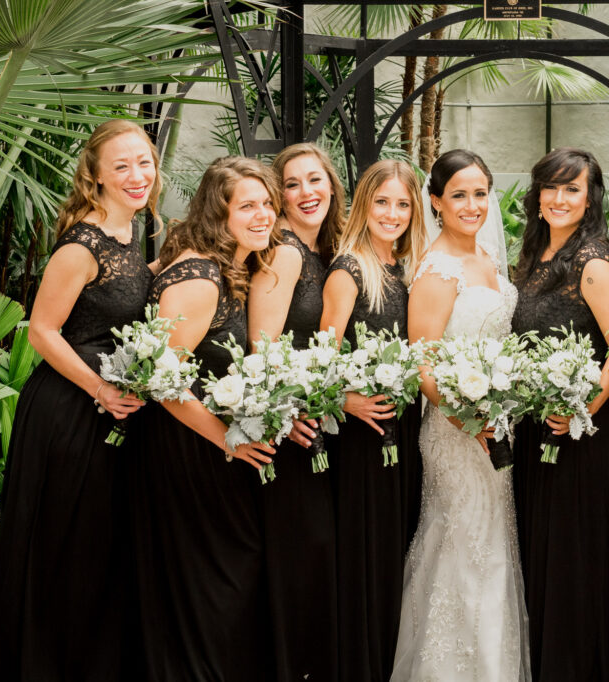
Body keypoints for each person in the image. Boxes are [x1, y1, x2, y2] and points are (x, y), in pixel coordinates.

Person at [0, 119, 156, 682]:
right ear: (95, 176)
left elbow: (123, 300)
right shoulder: (83, 242)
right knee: (65, 544)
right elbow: (42, 331)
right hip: (69, 411)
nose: (136, 175)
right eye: (121, 166)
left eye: (144, 161)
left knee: (98, 547)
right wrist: (100, 388)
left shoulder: (137, 233)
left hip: (110, 412)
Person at [128, 156, 278, 681]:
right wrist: (227, 441)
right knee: (217, 586)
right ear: (220, 211)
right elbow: (161, 379)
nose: (263, 215)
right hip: (190, 454)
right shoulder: (202, 276)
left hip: (201, 450)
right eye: (248, 206)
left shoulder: (218, 264)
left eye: (267, 204)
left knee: (215, 585)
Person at [391, 149, 531, 681]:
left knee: (496, 547)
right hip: (457, 434)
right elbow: (422, 364)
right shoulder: (436, 270)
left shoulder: (492, 261)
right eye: (458, 195)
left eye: (480, 193)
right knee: (462, 546)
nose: (471, 205)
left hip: (498, 425)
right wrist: (470, 422)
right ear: (435, 201)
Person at [510, 147, 609, 681]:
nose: (559, 199)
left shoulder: (594, 263)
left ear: (590, 200)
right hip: (534, 434)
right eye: (551, 188)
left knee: (571, 564)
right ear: (537, 196)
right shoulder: (532, 258)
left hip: (578, 436)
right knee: (541, 558)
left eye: (572, 190)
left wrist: (581, 407)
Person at [316, 159, 427, 682]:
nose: (392, 213)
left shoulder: (406, 270)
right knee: (366, 552)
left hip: (402, 431)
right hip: (361, 436)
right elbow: (321, 359)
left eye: (403, 203)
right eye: (382, 201)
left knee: (396, 549)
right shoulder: (349, 269)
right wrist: (348, 400)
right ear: (363, 204)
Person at [248, 143, 346, 681]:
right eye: (292, 183)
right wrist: (288, 413)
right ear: (279, 196)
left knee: (317, 554)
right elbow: (261, 347)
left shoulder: (329, 250)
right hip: (289, 428)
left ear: (331, 185)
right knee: (299, 551)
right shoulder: (283, 252)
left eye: (315, 180)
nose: (306, 193)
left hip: (324, 424)